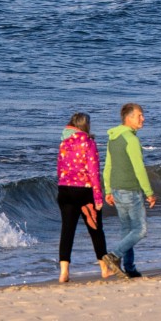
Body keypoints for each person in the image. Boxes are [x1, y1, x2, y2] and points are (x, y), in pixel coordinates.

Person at [56, 112, 116, 282]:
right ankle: (104, 269)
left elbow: (60, 169)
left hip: (64, 189)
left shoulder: (64, 143)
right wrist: (98, 198)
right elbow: (94, 172)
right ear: (85, 125)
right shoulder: (89, 143)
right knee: (96, 230)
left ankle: (64, 272)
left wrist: (61, 187)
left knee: (67, 230)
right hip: (84, 190)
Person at [102, 101, 156, 278]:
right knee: (140, 230)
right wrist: (149, 192)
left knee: (127, 231)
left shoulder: (113, 137)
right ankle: (113, 255)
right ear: (129, 117)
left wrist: (108, 190)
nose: (143, 118)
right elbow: (139, 168)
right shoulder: (131, 139)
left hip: (117, 190)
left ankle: (130, 267)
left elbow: (108, 166)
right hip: (130, 191)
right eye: (139, 115)